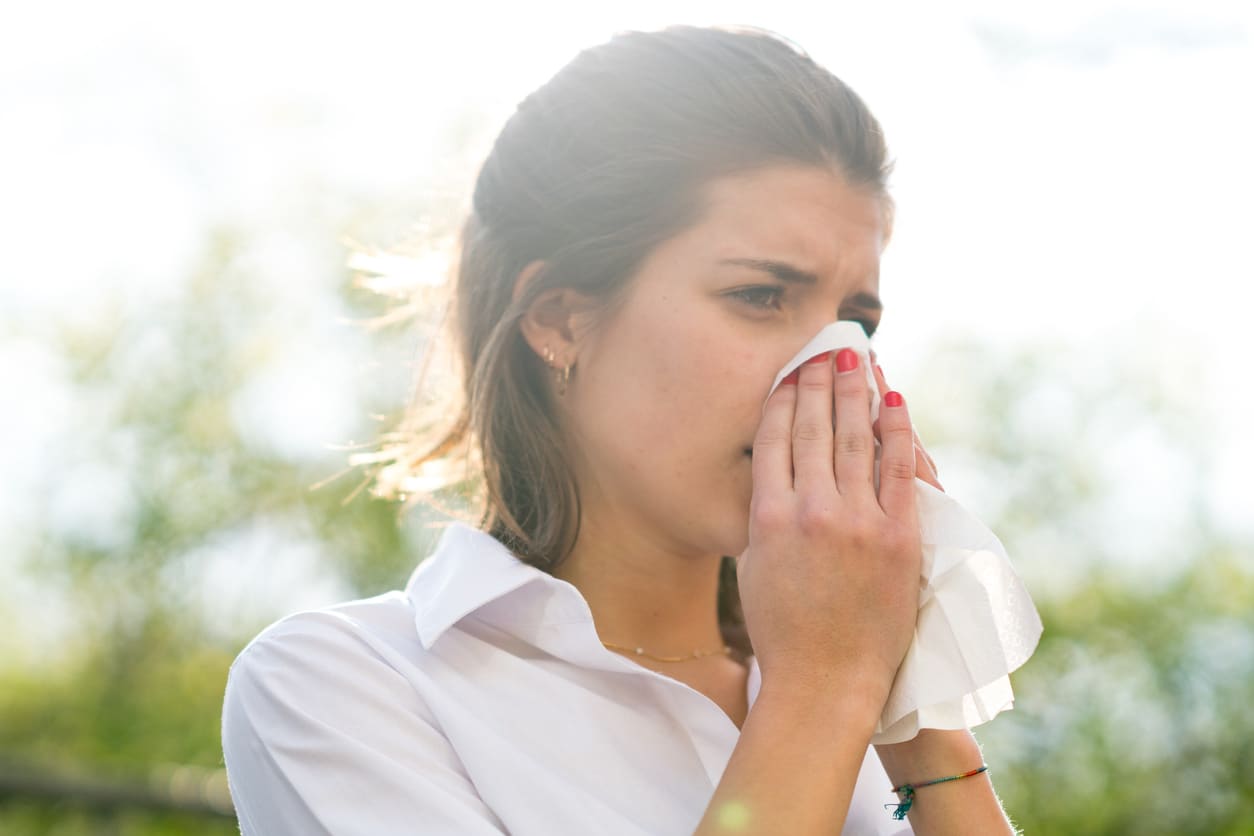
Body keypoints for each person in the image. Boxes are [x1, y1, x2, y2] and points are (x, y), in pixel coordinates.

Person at [222, 24, 1020, 835]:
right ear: (561, 319)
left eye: (856, 323)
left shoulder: (864, 706)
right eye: (760, 296)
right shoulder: (349, 687)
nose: (826, 369)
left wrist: (915, 709)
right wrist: (824, 689)